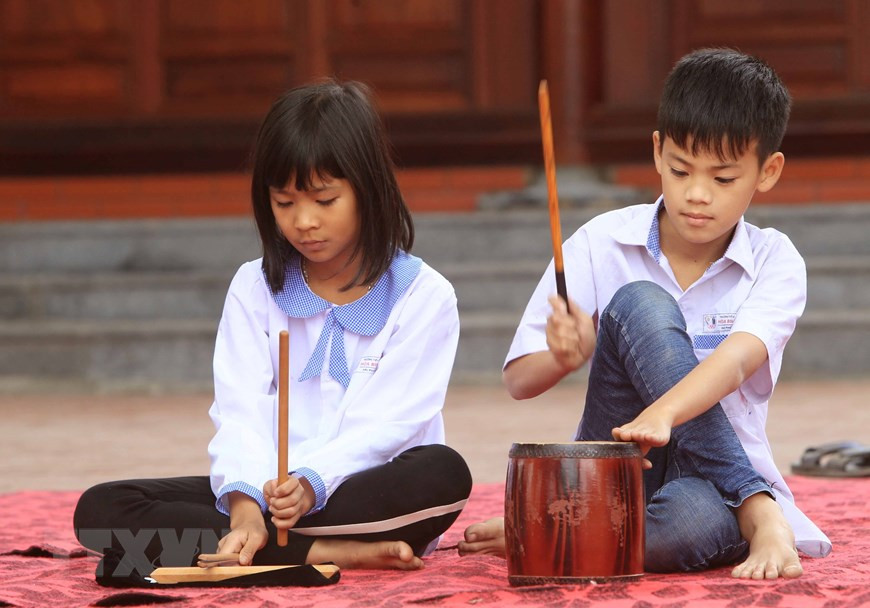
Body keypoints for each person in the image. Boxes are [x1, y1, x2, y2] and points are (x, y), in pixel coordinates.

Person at [458, 48, 831, 579]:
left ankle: (549, 534)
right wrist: (567, 356)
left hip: (712, 485)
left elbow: (736, 362)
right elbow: (519, 381)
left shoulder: (776, 258)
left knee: (686, 530)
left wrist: (666, 411)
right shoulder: (600, 242)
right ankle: (761, 510)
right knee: (639, 301)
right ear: (658, 152)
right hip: (615, 468)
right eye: (680, 170)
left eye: (723, 179)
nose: (697, 194)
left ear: (767, 172)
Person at [74, 80, 472, 576]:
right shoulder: (253, 287)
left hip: (360, 491)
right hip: (264, 494)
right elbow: (239, 410)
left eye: (324, 201)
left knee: (443, 473)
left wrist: (309, 483)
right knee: (101, 509)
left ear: (368, 189)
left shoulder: (424, 295)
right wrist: (244, 506)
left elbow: (391, 425)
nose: (303, 222)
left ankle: (266, 545)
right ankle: (324, 551)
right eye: (284, 203)